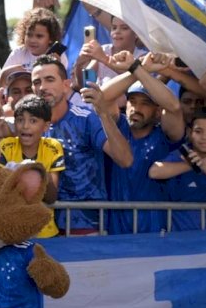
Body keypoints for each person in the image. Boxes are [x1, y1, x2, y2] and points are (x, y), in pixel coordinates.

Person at [30, 55, 133, 234]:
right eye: (37, 82)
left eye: (49, 80)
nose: (43, 87)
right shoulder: (30, 125)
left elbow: (125, 159)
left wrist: (103, 114)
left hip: (85, 226)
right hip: (43, 227)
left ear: (66, 84)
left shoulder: (86, 119)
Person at [100, 52, 185, 234]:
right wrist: (139, 69)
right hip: (115, 231)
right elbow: (102, 97)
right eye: (132, 101)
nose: (136, 108)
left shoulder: (165, 136)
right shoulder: (118, 127)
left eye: (145, 103)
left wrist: (137, 69)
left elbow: (174, 107)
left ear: (157, 111)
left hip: (155, 232)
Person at [0, 95, 64, 238]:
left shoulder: (53, 147)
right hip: (12, 232)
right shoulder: (6, 146)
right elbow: (0, 195)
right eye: (20, 120)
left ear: (46, 126)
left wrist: (41, 173)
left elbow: (51, 197)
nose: (25, 126)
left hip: (45, 233)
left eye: (33, 121)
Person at [149, 108, 206, 230]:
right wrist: (194, 164)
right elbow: (154, 172)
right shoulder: (182, 153)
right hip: (179, 240)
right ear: (189, 132)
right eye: (198, 131)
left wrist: (205, 167)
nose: (205, 137)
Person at [2, 7, 68, 71]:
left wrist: (57, 66)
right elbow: (3, 77)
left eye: (39, 36)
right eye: (29, 35)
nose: (32, 40)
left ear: (51, 38)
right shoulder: (18, 53)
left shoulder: (58, 56)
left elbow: (60, 79)